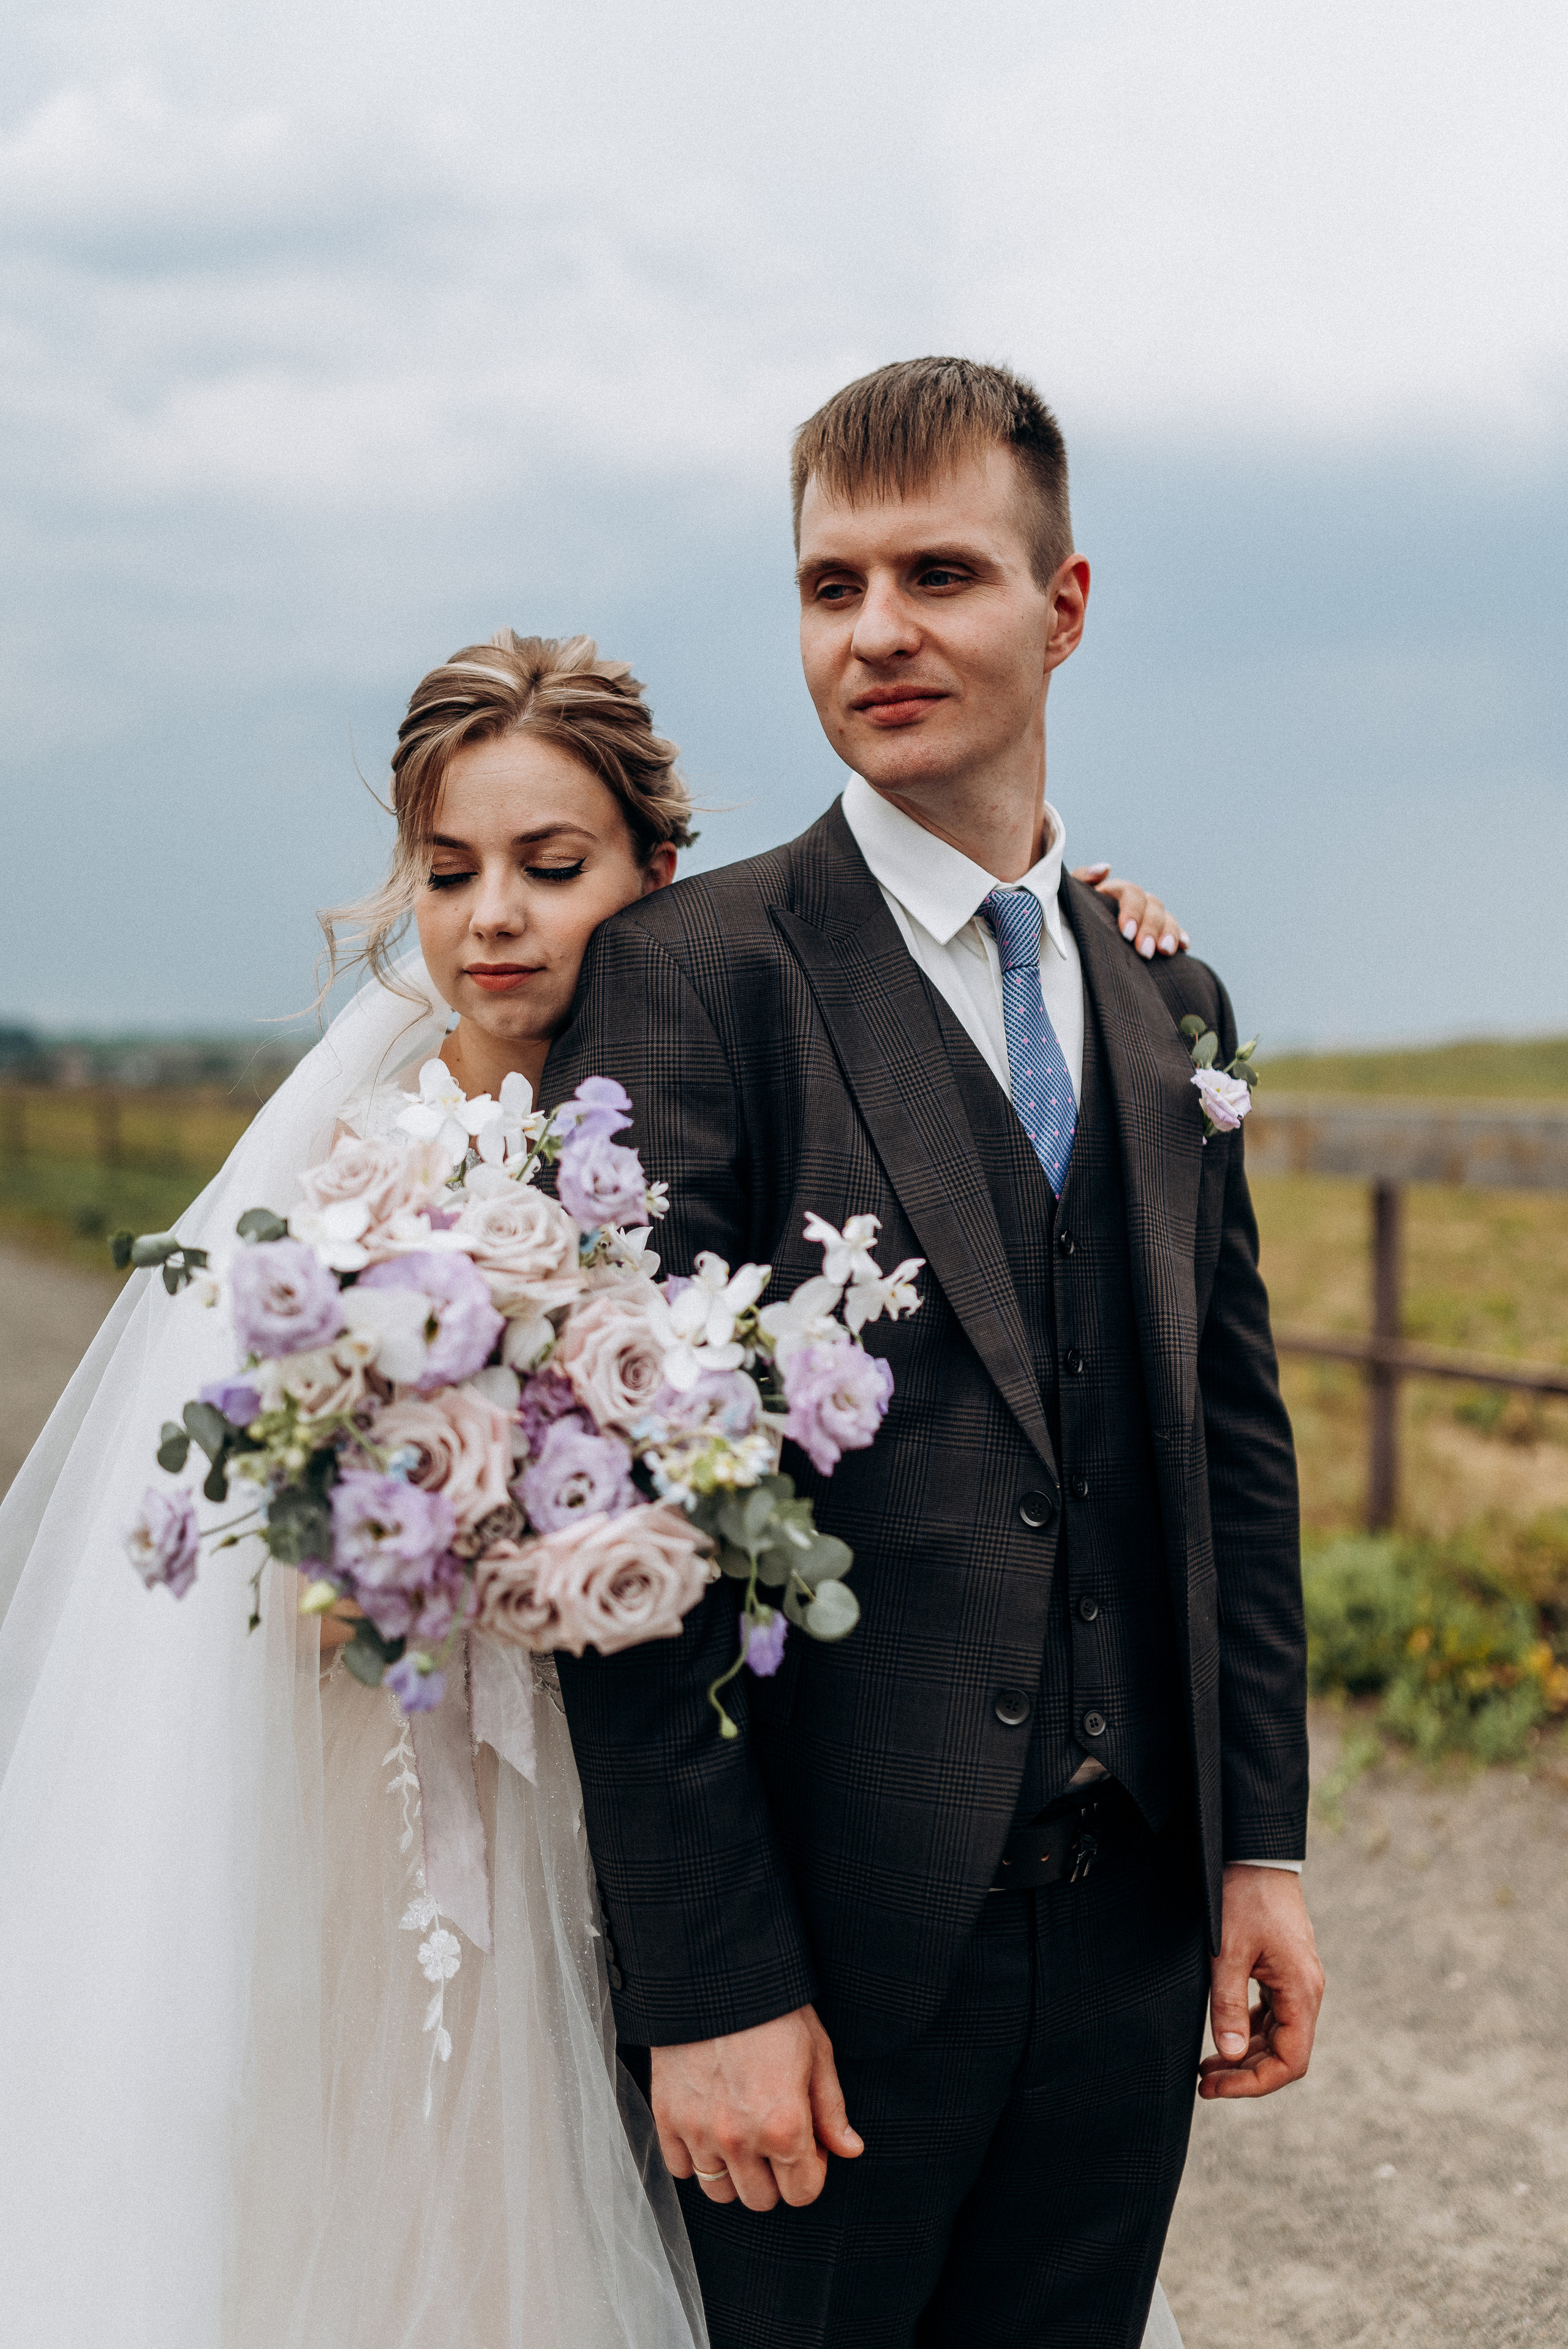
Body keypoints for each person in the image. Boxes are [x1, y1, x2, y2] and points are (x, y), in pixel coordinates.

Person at [0, 624, 1185, 2348]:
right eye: (450, 869)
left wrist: (1081, 933)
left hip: (768, 1820)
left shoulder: (747, 1095)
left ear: (658, 876)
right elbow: (279, 1589)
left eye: (552, 869)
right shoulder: (357, 1199)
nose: (494, 918)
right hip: (477, 1821)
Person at [543, 360, 1325, 2349]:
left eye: (940, 575)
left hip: (1136, 1930)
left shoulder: (1168, 1000)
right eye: (831, 586)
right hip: (826, 1969)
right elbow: (611, 1529)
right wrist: (710, 1984)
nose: (877, 632)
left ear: (1063, 611)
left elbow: (1229, 1445)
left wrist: (1261, 1850)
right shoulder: (694, 978)